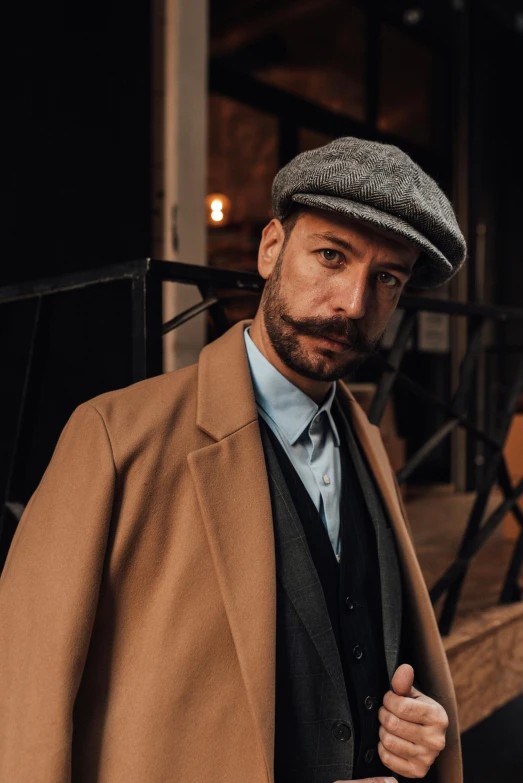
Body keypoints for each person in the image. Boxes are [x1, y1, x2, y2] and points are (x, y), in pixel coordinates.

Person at [0, 137, 466, 783]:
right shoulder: (114, 436)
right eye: (330, 256)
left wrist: (417, 727)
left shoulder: (363, 440)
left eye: (385, 278)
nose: (351, 304)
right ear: (271, 247)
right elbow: (25, 697)